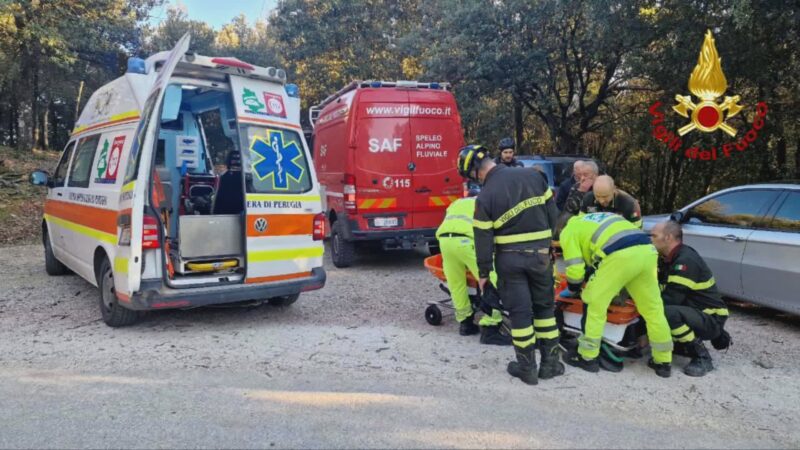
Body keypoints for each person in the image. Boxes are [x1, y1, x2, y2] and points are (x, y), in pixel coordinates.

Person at [457, 144, 562, 385]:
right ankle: (551, 364)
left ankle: (526, 368)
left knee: (520, 313)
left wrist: (484, 273)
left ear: (474, 171)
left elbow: (482, 237)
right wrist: (545, 243)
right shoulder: (533, 176)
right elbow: (553, 214)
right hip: (540, 257)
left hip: (509, 261)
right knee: (545, 310)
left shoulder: (485, 196)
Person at [559, 212, 674, 377]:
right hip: (647, 251)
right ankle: (663, 361)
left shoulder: (568, 230)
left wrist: (572, 289)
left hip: (620, 256)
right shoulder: (596, 217)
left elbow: (575, 269)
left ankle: (587, 357)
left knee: (594, 303)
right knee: (653, 309)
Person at [650, 220, 731, 377]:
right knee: (660, 310)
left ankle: (701, 356)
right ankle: (682, 345)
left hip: (711, 316)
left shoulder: (685, 261)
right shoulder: (666, 257)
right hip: (694, 311)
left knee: (667, 313)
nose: (650, 238)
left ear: (667, 237)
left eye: (654, 235)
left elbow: (671, 298)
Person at [435, 195, 510, 345]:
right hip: (467, 241)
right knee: (491, 280)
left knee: (456, 284)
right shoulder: (489, 202)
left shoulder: (458, 202)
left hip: (445, 242)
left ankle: (465, 323)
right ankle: (491, 328)